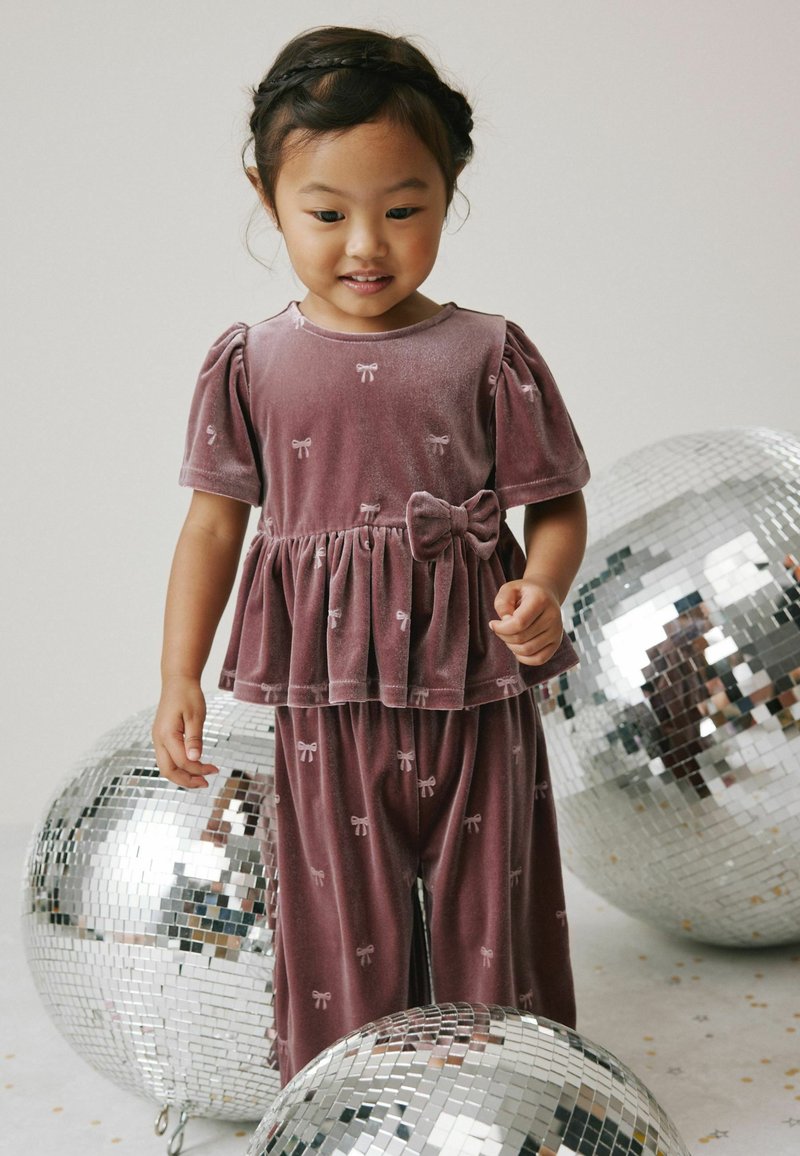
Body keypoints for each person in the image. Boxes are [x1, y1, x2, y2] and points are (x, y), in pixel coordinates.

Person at [152, 24, 590, 1085]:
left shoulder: (488, 351)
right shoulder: (252, 361)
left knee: (491, 897)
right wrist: (179, 673)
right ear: (267, 199)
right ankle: (350, 1095)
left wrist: (541, 584)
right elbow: (213, 525)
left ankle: (501, 1090)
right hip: (327, 696)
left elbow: (556, 505)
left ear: (448, 193)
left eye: (403, 210)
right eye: (327, 214)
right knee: (337, 911)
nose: (366, 245)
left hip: (475, 685)